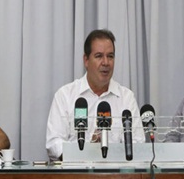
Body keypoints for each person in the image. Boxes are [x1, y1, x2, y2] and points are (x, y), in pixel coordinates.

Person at [46, 29, 144, 160]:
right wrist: (88, 150)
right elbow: (54, 144)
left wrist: (110, 150)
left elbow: (138, 143)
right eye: (99, 56)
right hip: (76, 171)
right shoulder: (65, 95)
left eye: (110, 56)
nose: (106, 62)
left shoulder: (127, 98)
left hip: (116, 171)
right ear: (86, 60)